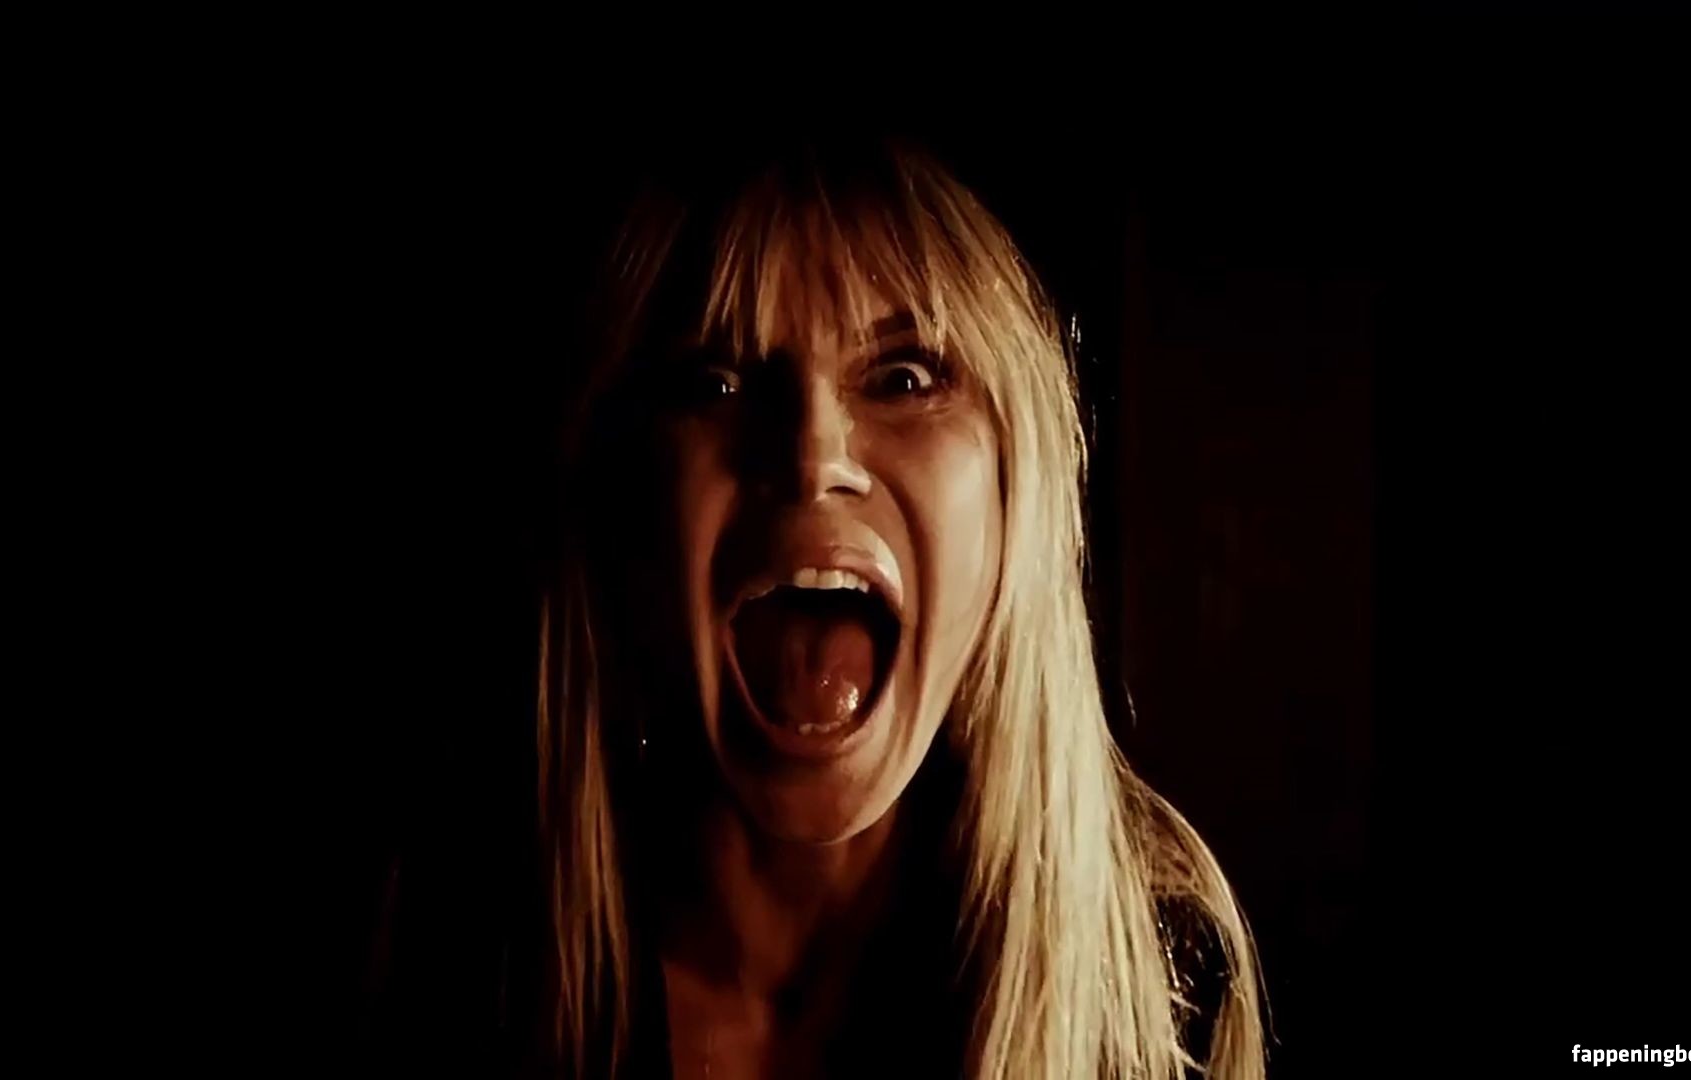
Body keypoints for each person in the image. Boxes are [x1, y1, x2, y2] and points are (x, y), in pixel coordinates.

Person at [528, 138, 1263, 1079]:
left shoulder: (1160, 982)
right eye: (715, 383)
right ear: (615, 498)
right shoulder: (452, 949)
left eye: (904, 378)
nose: (812, 459)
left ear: (1013, 489)